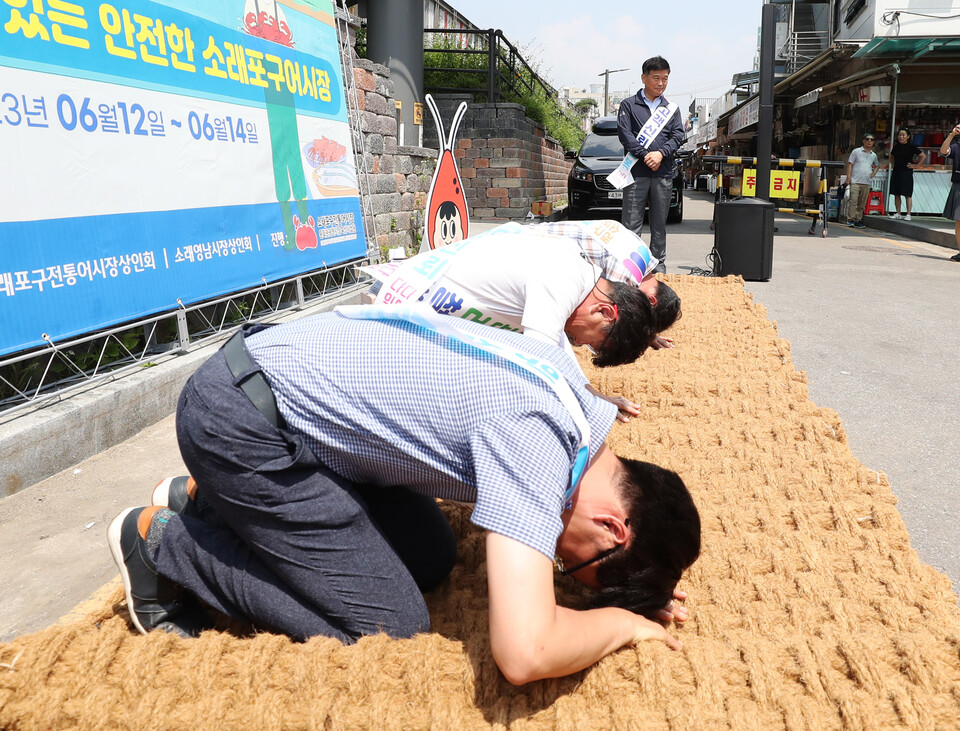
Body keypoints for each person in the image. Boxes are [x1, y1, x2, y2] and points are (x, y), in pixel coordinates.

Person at [107, 312, 702, 685]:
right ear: (612, 527)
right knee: (391, 624)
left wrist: (642, 580)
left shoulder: (568, 388)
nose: (557, 564)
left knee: (431, 558)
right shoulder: (535, 447)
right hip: (242, 423)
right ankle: (163, 545)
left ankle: (210, 499)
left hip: (283, 387)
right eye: (570, 566)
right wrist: (620, 621)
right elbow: (525, 653)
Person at [369, 221, 682, 419]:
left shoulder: (579, 281)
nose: (582, 345)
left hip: (412, 301)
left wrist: (597, 398)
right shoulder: (561, 281)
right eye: (595, 343)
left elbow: (557, 362)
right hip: (394, 307)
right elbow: (537, 374)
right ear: (606, 312)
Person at [617, 56, 684, 273]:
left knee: (659, 224)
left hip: (663, 172)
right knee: (631, 223)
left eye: (665, 79)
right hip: (636, 172)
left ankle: (658, 265)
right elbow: (625, 135)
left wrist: (660, 154)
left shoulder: (671, 108)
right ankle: (631, 266)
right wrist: (647, 155)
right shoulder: (628, 105)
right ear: (644, 78)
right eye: (656, 78)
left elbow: (677, 136)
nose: (661, 83)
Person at [888, 129, 926, 220]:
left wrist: (916, 166)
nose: (901, 137)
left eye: (903, 135)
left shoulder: (911, 147)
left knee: (907, 194)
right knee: (896, 193)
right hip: (897, 171)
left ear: (908, 137)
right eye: (900, 135)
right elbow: (891, 156)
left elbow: (923, 156)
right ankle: (898, 213)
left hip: (906, 172)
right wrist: (893, 165)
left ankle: (908, 214)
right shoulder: (896, 147)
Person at [845, 133, 879, 229]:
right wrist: (848, 178)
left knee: (862, 203)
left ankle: (858, 220)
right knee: (853, 200)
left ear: (873, 142)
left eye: (871, 140)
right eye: (867, 139)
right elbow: (850, 164)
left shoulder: (873, 155)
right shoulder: (856, 151)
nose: (869, 141)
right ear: (863, 141)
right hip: (855, 181)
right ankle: (850, 219)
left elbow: (877, 165)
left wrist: (873, 174)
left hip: (866, 182)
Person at [939, 123, 960, 262]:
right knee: (959, 222)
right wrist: (952, 135)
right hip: (959, 185)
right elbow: (943, 151)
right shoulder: (957, 146)